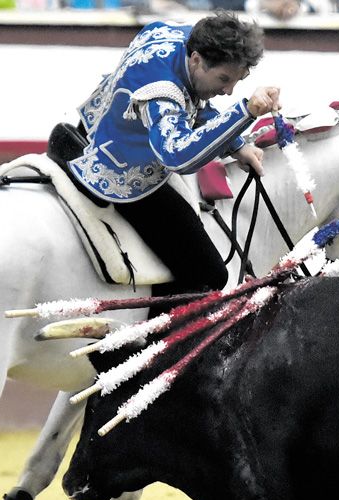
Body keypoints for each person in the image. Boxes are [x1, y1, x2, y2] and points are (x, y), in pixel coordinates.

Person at [59, 12, 280, 297]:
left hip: (92, 127)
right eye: (224, 78)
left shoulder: (179, 35)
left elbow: (195, 98)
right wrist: (244, 112)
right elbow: (177, 156)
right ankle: (159, 339)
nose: (228, 91)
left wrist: (236, 144)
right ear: (197, 59)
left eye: (239, 80)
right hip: (121, 170)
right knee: (208, 272)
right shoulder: (162, 90)